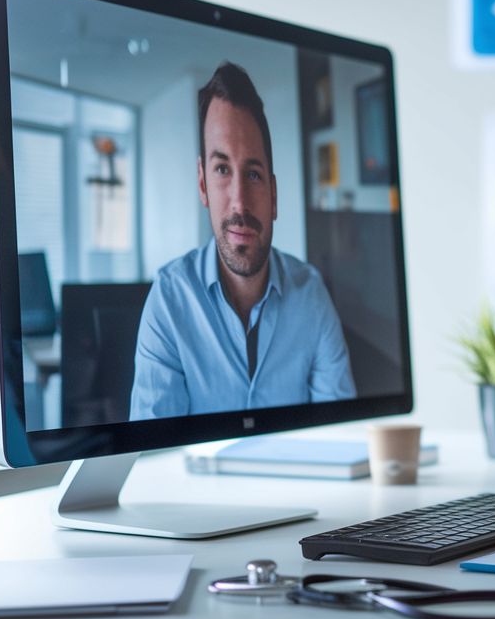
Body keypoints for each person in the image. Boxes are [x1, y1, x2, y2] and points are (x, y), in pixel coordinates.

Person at [130, 62, 356, 420]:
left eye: (253, 173)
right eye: (222, 170)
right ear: (202, 185)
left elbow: (340, 436)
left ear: (274, 195)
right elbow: (152, 458)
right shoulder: (169, 302)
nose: (239, 201)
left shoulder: (312, 297)